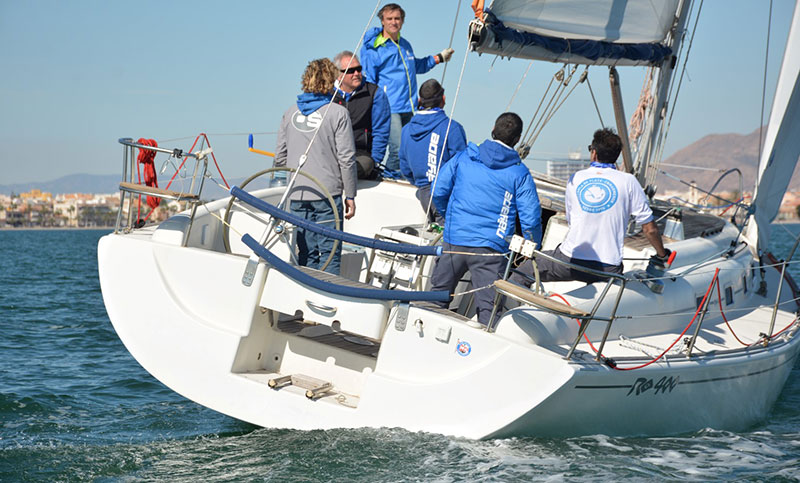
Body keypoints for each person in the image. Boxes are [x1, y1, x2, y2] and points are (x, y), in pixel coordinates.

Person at [512, 128, 670, 285]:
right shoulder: (629, 181)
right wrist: (662, 255)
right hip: (607, 269)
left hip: (569, 261)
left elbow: (571, 220)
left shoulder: (576, 178)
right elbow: (650, 229)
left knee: (524, 270)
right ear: (617, 155)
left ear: (594, 152)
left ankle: (507, 309)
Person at [430, 113, 542, 326]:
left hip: (455, 241)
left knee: (436, 299)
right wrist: (530, 247)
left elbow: (438, 190)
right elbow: (531, 219)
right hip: (491, 250)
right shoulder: (519, 173)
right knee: (489, 312)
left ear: (493, 129)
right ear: (517, 139)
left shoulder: (465, 157)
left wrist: (450, 218)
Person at [274, 58, 357, 275]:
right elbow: (346, 158)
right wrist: (351, 195)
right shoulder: (338, 113)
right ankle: (326, 298)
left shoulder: (290, 112)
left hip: (298, 193)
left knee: (305, 252)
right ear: (332, 81)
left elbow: (280, 158)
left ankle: (305, 296)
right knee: (329, 254)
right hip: (327, 194)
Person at [361, 3, 455, 179]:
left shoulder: (405, 45)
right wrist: (370, 107)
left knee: (408, 149)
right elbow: (370, 81)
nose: (393, 22)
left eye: (397, 18)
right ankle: (386, 180)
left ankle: (400, 179)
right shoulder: (375, 48)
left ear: (402, 21)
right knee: (396, 149)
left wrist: (439, 58)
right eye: (389, 19)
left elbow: (414, 66)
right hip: (389, 107)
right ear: (382, 21)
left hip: (408, 106)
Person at [399, 78, 467, 226]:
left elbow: (405, 168)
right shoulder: (452, 128)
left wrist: (422, 184)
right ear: (443, 99)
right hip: (446, 196)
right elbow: (463, 168)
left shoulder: (406, 130)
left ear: (419, 100)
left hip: (424, 194)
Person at [331, 50, 391, 179]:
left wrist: (375, 161)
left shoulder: (374, 93)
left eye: (359, 69)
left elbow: (381, 131)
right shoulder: (327, 95)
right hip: (332, 154)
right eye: (351, 71)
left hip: (360, 154)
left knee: (364, 164)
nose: (357, 74)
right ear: (338, 75)